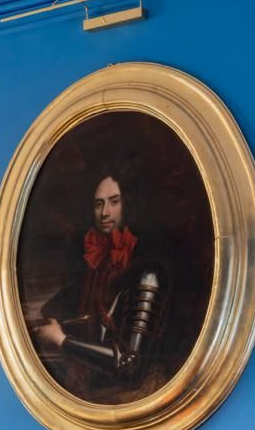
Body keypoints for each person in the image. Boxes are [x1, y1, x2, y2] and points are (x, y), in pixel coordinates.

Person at [32, 167, 168, 402]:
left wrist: (62, 340)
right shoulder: (97, 265)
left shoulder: (148, 274)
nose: (105, 212)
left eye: (114, 202)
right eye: (98, 204)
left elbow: (130, 366)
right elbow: (72, 309)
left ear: (129, 204)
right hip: (96, 390)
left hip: (131, 397)